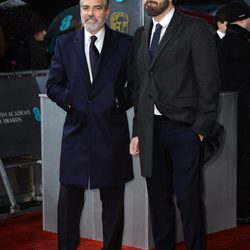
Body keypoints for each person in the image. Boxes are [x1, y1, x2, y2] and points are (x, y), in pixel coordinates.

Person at [130, 0, 221, 249]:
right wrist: (137, 131)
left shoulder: (195, 28)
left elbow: (209, 81)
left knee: (189, 201)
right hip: (150, 131)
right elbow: (140, 88)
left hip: (185, 129)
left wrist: (201, 128)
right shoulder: (140, 34)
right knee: (158, 203)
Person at [46, 0, 134, 249]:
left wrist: (117, 102)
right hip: (76, 134)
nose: (90, 13)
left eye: (96, 8)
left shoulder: (125, 44)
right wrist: (70, 101)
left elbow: (137, 86)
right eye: (85, 8)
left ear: (107, 11)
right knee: (68, 206)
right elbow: (53, 84)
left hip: (112, 135)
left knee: (114, 205)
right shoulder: (65, 44)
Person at [218, 1, 250, 223]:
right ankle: (244, 210)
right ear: (244, 19)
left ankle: (238, 210)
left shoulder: (223, 43)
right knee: (245, 159)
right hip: (243, 112)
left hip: (227, 112)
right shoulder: (240, 44)